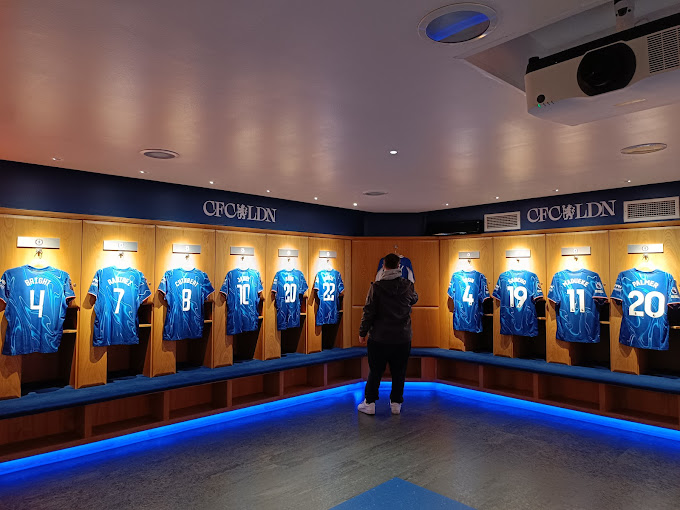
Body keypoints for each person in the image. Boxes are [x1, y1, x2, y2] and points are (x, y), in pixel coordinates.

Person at [357, 253, 418, 415]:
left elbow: (368, 312)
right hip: (402, 338)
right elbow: (414, 299)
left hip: (379, 338)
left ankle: (369, 403)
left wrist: (362, 332)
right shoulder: (408, 286)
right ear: (399, 267)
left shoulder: (376, 287)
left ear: (384, 266)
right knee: (399, 371)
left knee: (376, 370)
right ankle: (396, 403)